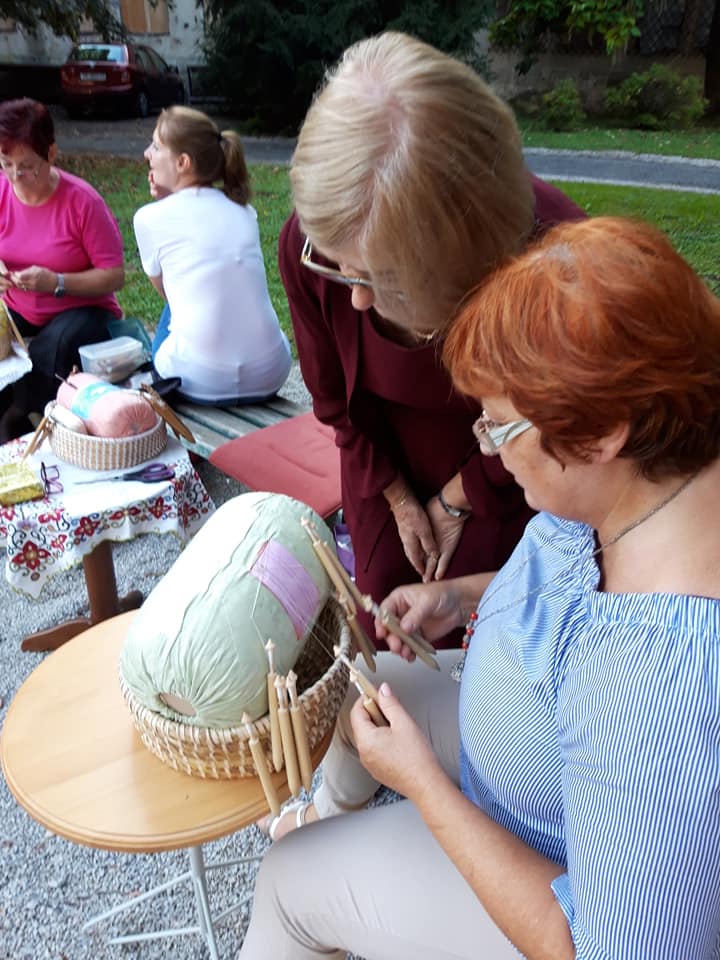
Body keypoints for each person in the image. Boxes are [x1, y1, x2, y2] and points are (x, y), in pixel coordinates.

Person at [241, 216, 720, 958]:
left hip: (550, 882)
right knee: (357, 685)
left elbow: (603, 946)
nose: (487, 449)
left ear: (600, 436)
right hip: (525, 750)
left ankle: (315, 880)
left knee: (287, 880)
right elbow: (581, 595)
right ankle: (333, 814)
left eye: (497, 429)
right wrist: (464, 597)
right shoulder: (654, 478)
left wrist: (423, 787)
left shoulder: (662, 691)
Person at [280, 32, 585, 646]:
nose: (356, 299)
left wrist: (457, 498)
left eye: (385, 279)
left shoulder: (557, 266)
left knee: (497, 638)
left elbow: (551, 429)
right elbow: (336, 405)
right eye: (341, 269)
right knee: (384, 614)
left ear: (471, 261)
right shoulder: (317, 243)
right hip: (379, 457)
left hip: (510, 467)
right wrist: (397, 498)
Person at [133, 106, 291, 404]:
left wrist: (166, 201)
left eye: (155, 146)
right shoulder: (246, 211)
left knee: (176, 308)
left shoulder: (149, 218)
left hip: (200, 380)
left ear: (182, 162)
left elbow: (171, 296)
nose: (147, 154)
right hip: (270, 372)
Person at [0, 98, 124, 440]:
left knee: (54, 347)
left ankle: (21, 417)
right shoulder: (2, 190)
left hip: (85, 309)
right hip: (19, 305)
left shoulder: (83, 202)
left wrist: (55, 282)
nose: (15, 176)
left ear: (51, 154)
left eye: (27, 166)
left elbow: (114, 275)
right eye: (6, 163)